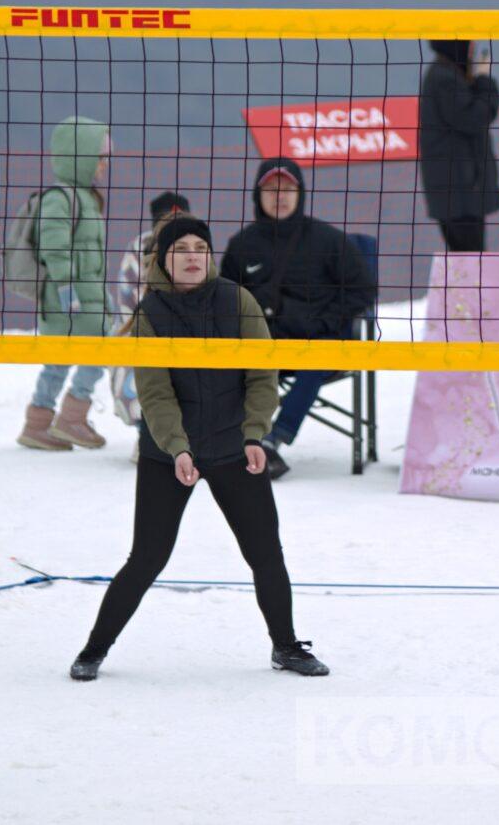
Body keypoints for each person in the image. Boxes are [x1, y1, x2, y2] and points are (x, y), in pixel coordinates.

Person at [72, 217, 325, 680]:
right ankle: (94, 648)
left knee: (265, 552)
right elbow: (155, 392)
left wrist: (255, 435)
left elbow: (262, 375)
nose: (192, 255)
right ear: (164, 259)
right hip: (169, 452)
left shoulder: (237, 299)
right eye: (181, 248)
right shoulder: (152, 312)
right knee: (147, 557)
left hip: (233, 445)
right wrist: (177, 448)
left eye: (200, 247)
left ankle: (286, 647)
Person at [220, 157, 373, 476]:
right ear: (257, 196)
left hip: (318, 344)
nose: (280, 196)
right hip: (264, 346)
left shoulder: (329, 240)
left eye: (288, 188)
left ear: (300, 193)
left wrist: (325, 322)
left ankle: (273, 440)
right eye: (271, 189)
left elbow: (362, 290)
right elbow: (225, 302)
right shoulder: (240, 246)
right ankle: (237, 441)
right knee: (226, 359)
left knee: (317, 356)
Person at [16, 114, 114, 453]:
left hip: (83, 297)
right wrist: (69, 294)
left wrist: (103, 298)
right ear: (81, 157)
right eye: (100, 157)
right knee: (102, 348)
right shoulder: (60, 198)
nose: (104, 165)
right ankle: (72, 416)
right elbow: (55, 248)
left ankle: (38, 424)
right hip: (70, 300)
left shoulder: (84, 198)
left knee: (59, 359)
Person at [107, 191, 193, 429]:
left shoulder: (196, 249)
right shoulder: (138, 249)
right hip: (141, 335)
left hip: (188, 338)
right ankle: (147, 434)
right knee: (136, 367)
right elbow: (127, 304)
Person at [419, 40, 499, 253]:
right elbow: (473, 117)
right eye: (469, 47)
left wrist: (474, 80)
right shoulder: (444, 79)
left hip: (460, 194)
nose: (472, 52)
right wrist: (484, 80)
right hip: (460, 196)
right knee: (470, 261)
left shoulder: (447, 75)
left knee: (467, 261)